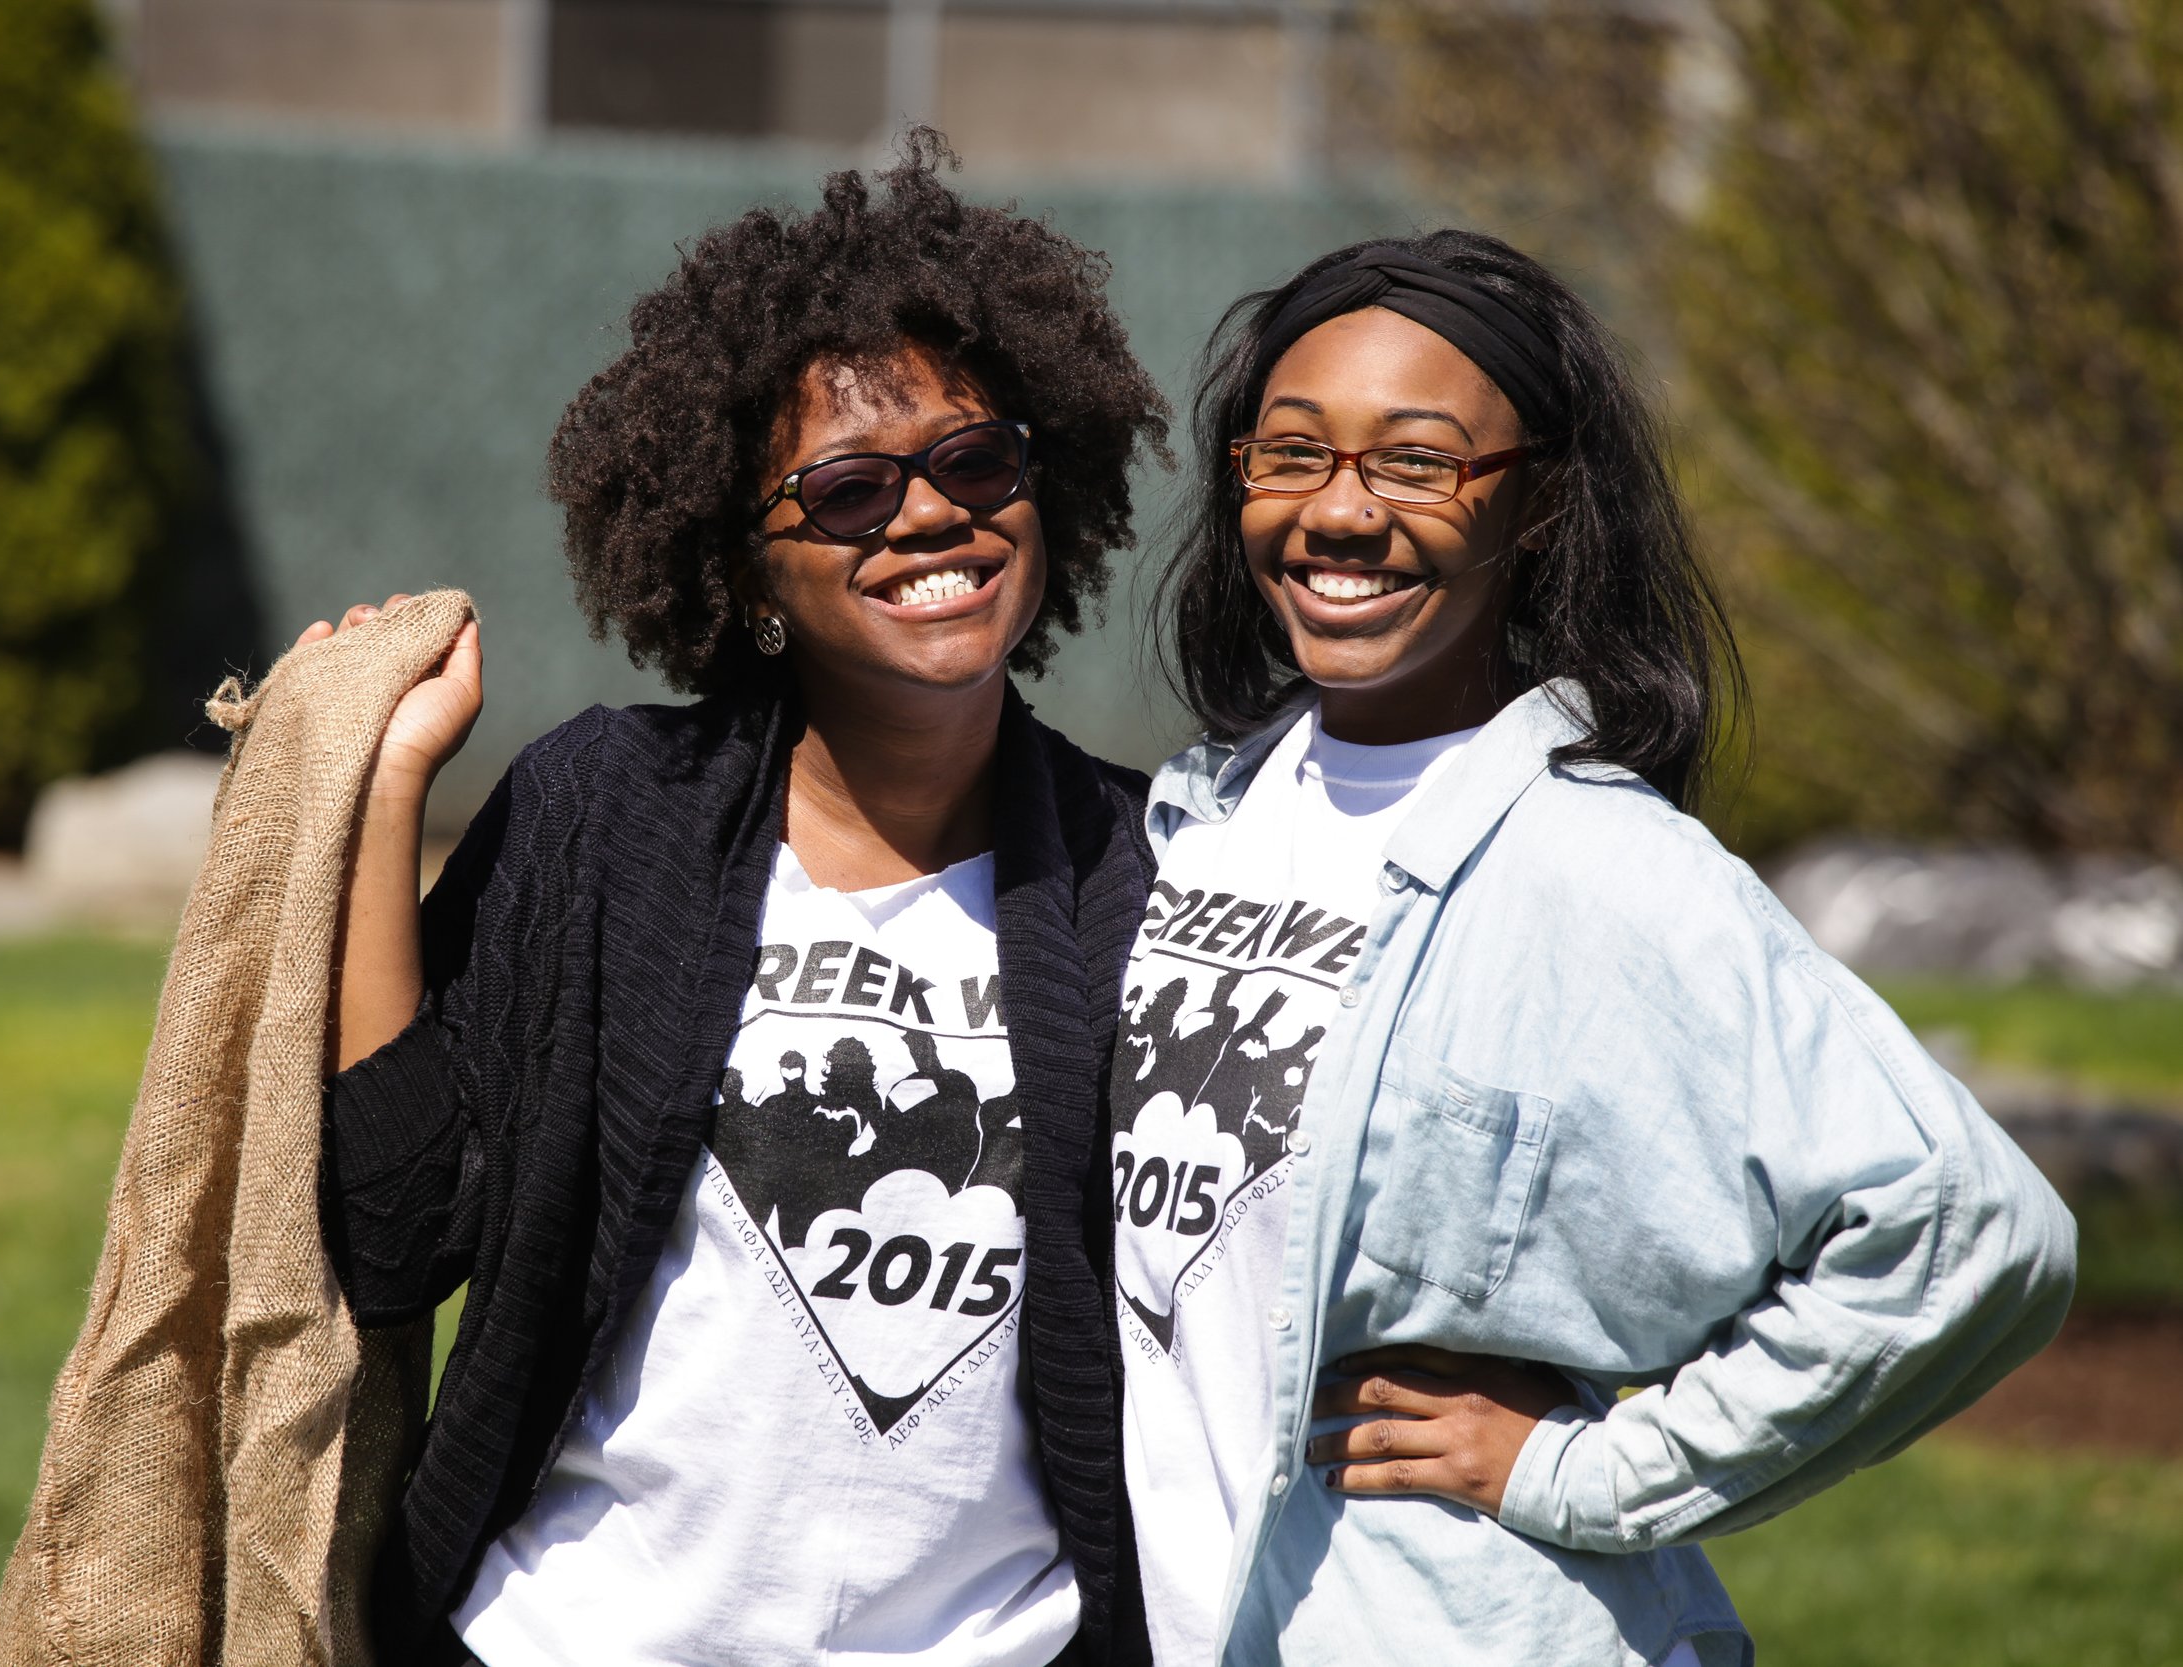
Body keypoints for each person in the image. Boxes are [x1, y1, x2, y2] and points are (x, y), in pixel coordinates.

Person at [1118, 229, 2077, 1666]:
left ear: (1544, 504)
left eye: (1418, 461)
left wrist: (1594, 1474)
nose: (1339, 512)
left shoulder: (1605, 869)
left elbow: (1967, 1234)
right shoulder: (1190, 825)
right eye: (1293, 453)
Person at [307, 135, 1167, 1666]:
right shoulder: (606, 816)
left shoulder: (1135, 867)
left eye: (975, 462)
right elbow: (395, 1226)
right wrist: (386, 792)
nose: (928, 518)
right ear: (750, 565)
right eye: (846, 490)